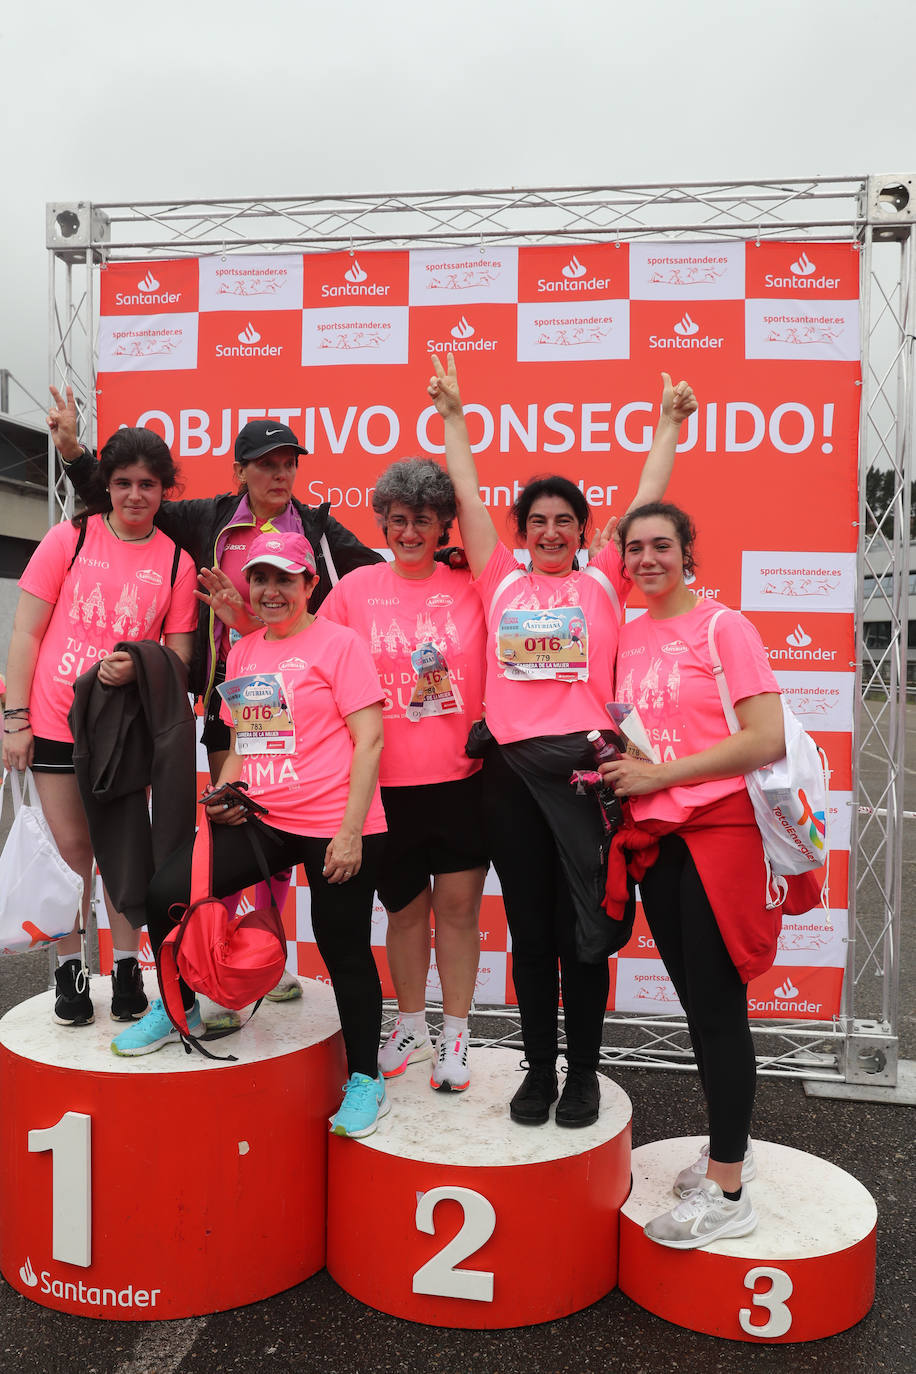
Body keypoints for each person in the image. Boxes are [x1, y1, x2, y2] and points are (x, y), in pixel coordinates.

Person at [48, 385, 383, 1010]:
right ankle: (217, 958)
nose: (279, 475)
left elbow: (377, 569)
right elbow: (125, 497)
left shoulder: (314, 526)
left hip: (302, 705)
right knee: (238, 829)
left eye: (288, 465)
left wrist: (445, 561)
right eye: (266, 464)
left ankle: (267, 952)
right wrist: (73, 455)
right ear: (241, 471)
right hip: (229, 695)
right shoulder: (206, 517)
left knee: (282, 839)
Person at [429, 353, 697, 1128]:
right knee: (530, 927)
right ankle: (537, 1071)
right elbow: (469, 495)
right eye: (538, 522)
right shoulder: (500, 581)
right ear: (523, 534)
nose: (550, 532)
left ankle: (584, 1073)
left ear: (585, 533)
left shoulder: (603, 583)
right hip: (511, 779)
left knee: (588, 926)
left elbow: (649, 496)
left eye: (564, 522)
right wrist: (453, 416)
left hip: (589, 776)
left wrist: (669, 425)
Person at [111, 531, 391, 1139]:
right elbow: (242, 744)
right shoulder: (243, 652)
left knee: (344, 949)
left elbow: (369, 740)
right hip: (260, 815)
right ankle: (176, 1007)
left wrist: (349, 833)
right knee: (166, 894)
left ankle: (366, 1080)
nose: (270, 592)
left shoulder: (340, 645)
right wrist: (224, 794)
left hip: (332, 824)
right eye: (261, 580)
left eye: (285, 580)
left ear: (310, 584)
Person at [598, 502, 822, 1248]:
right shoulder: (625, 634)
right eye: (636, 548)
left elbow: (761, 738)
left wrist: (662, 773)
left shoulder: (725, 628)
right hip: (657, 841)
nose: (648, 558)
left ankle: (728, 1193)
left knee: (720, 1011)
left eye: (663, 544)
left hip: (721, 839)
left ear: (689, 551)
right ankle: (734, 1153)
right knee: (699, 1007)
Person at [2, 428, 197, 1026]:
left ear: (165, 490)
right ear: (106, 487)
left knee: (122, 853)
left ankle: (127, 969)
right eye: (122, 484)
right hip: (56, 718)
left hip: (125, 729)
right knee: (71, 854)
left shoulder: (176, 560)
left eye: (147, 484)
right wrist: (14, 720)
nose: (135, 495)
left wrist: (138, 664)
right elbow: (26, 632)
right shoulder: (69, 538)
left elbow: (181, 659)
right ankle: (68, 970)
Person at [321, 457, 487, 1091]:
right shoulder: (354, 591)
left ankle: (458, 1034)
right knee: (406, 912)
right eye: (397, 520)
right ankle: (412, 1022)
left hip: (461, 780)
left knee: (459, 910)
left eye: (423, 520)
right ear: (382, 523)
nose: (410, 532)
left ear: (445, 525)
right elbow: (309, 656)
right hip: (383, 787)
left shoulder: (473, 587)